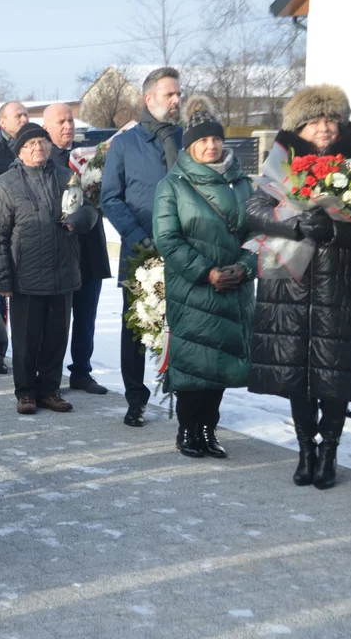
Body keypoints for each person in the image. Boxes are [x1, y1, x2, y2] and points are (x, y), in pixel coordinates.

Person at [246, 85, 351, 490]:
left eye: (330, 120)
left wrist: (335, 229)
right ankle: (305, 449)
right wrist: (297, 223)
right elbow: (253, 211)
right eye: (314, 120)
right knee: (296, 370)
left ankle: (330, 452)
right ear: (299, 126)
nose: (323, 127)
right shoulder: (280, 165)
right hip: (290, 282)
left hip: (340, 284)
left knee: (332, 372)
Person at [152, 98, 255, 459]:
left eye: (216, 139)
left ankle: (209, 430)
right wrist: (206, 272)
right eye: (202, 140)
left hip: (234, 287)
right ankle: (187, 430)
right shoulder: (173, 186)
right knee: (194, 363)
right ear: (190, 145)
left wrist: (244, 268)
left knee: (222, 363)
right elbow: (168, 239)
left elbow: (260, 236)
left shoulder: (243, 184)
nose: (211, 146)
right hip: (194, 288)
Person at [0, 123, 98, 415]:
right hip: (26, 276)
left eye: (42, 142)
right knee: (26, 339)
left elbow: (89, 209)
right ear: (19, 150)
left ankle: (49, 390)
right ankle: (25, 392)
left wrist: (79, 220)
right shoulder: (4, 185)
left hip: (63, 272)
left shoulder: (66, 177)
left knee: (56, 337)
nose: (38, 148)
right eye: (31, 144)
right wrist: (2, 278)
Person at [102, 67, 182, 427]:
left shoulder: (187, 139)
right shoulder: (124, 144)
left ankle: (183, 398)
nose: (177, 100)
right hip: (142, 253)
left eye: (179, 93)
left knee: (183, 326)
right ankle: (136, 399)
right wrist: (140, 238)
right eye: (170, 95)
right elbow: (111, 198)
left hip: (185, 252)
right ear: (149, 100)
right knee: (137, 327)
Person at [44, 104, 112, 396]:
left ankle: (81, 372)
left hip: (90, 248)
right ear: (47, 127)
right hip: (60, 250)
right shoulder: (44, 159)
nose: (67, 126)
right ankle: (49, 375)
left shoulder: (90, 159)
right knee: (57, 319)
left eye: (70, 120)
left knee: (87, 316)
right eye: (60, 121)